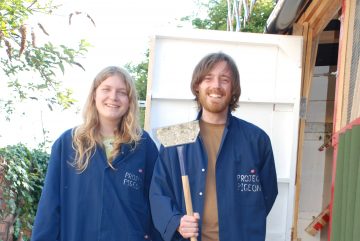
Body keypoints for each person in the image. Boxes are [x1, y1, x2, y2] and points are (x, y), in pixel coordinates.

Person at [149, 52, 278, 241]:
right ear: (197, 86)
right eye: (208, 78)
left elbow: (267, 195)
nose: (216, 85)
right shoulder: (176, 139)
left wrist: (244, 224)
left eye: (224, 79)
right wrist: (176, 222)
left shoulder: (256, 140)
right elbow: (158, 193)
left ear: (233, 88)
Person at [31, 66, 162, 241]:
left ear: (130, 100)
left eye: (122, 92)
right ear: (94, 95)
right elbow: (50, 205)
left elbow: (157, 204)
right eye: (106, 89)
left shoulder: (143, 145)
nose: (113, 97)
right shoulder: (68, 143)